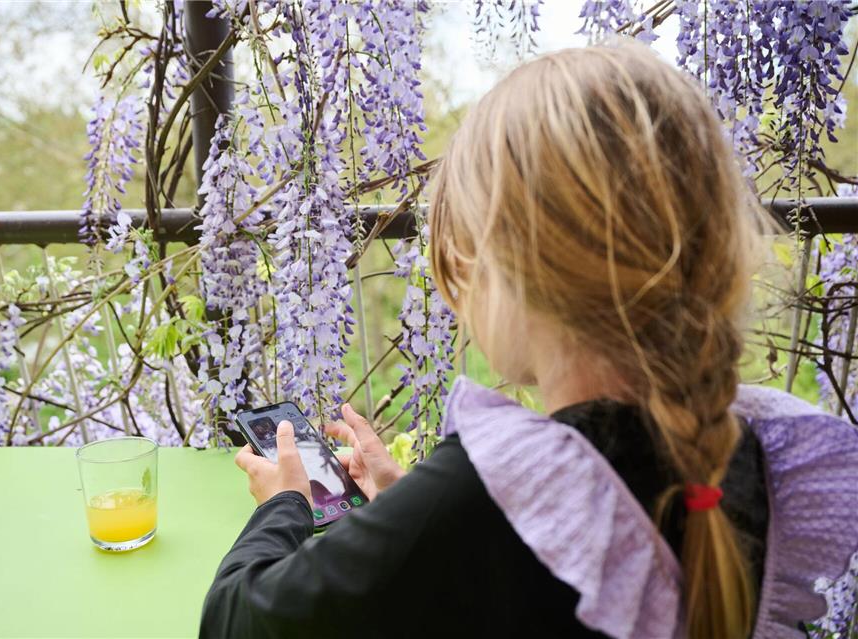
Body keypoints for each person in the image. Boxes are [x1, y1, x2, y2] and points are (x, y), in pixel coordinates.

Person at [200, 43, 858, 639]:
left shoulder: (484, 491)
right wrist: (408, 510)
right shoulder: (753, 454)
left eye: (461, 263)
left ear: (517, 266)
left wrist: (286, 502)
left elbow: (238, 618)